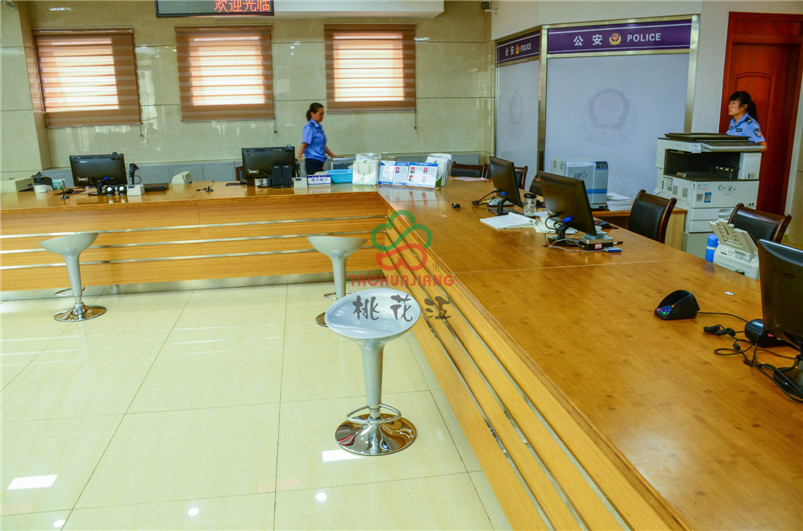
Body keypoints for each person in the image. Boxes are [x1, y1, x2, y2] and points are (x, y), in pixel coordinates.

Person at [297, 103, 336, 175]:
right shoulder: (309, 127)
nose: (322, 116)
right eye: (320, 114)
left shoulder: (318, 127)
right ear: (312, 114)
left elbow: (322, 145)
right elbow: (304, 144)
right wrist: (298, 158)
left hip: (319, 162)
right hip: (312, 162)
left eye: (323, 114)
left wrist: (333, 156)